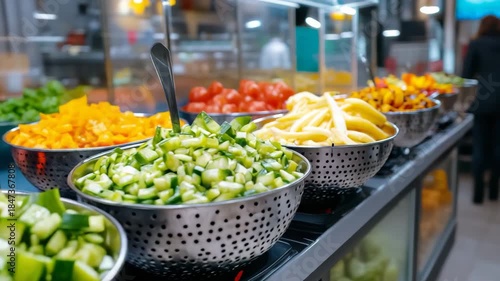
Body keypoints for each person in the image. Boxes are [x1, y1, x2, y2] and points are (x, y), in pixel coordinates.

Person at [462, 15, 500, 204]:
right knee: (497, 148)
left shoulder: (476, 44)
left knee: (479, 147)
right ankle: (494, 191)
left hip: (482, 102)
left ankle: (478, 195)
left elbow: (466, 76)